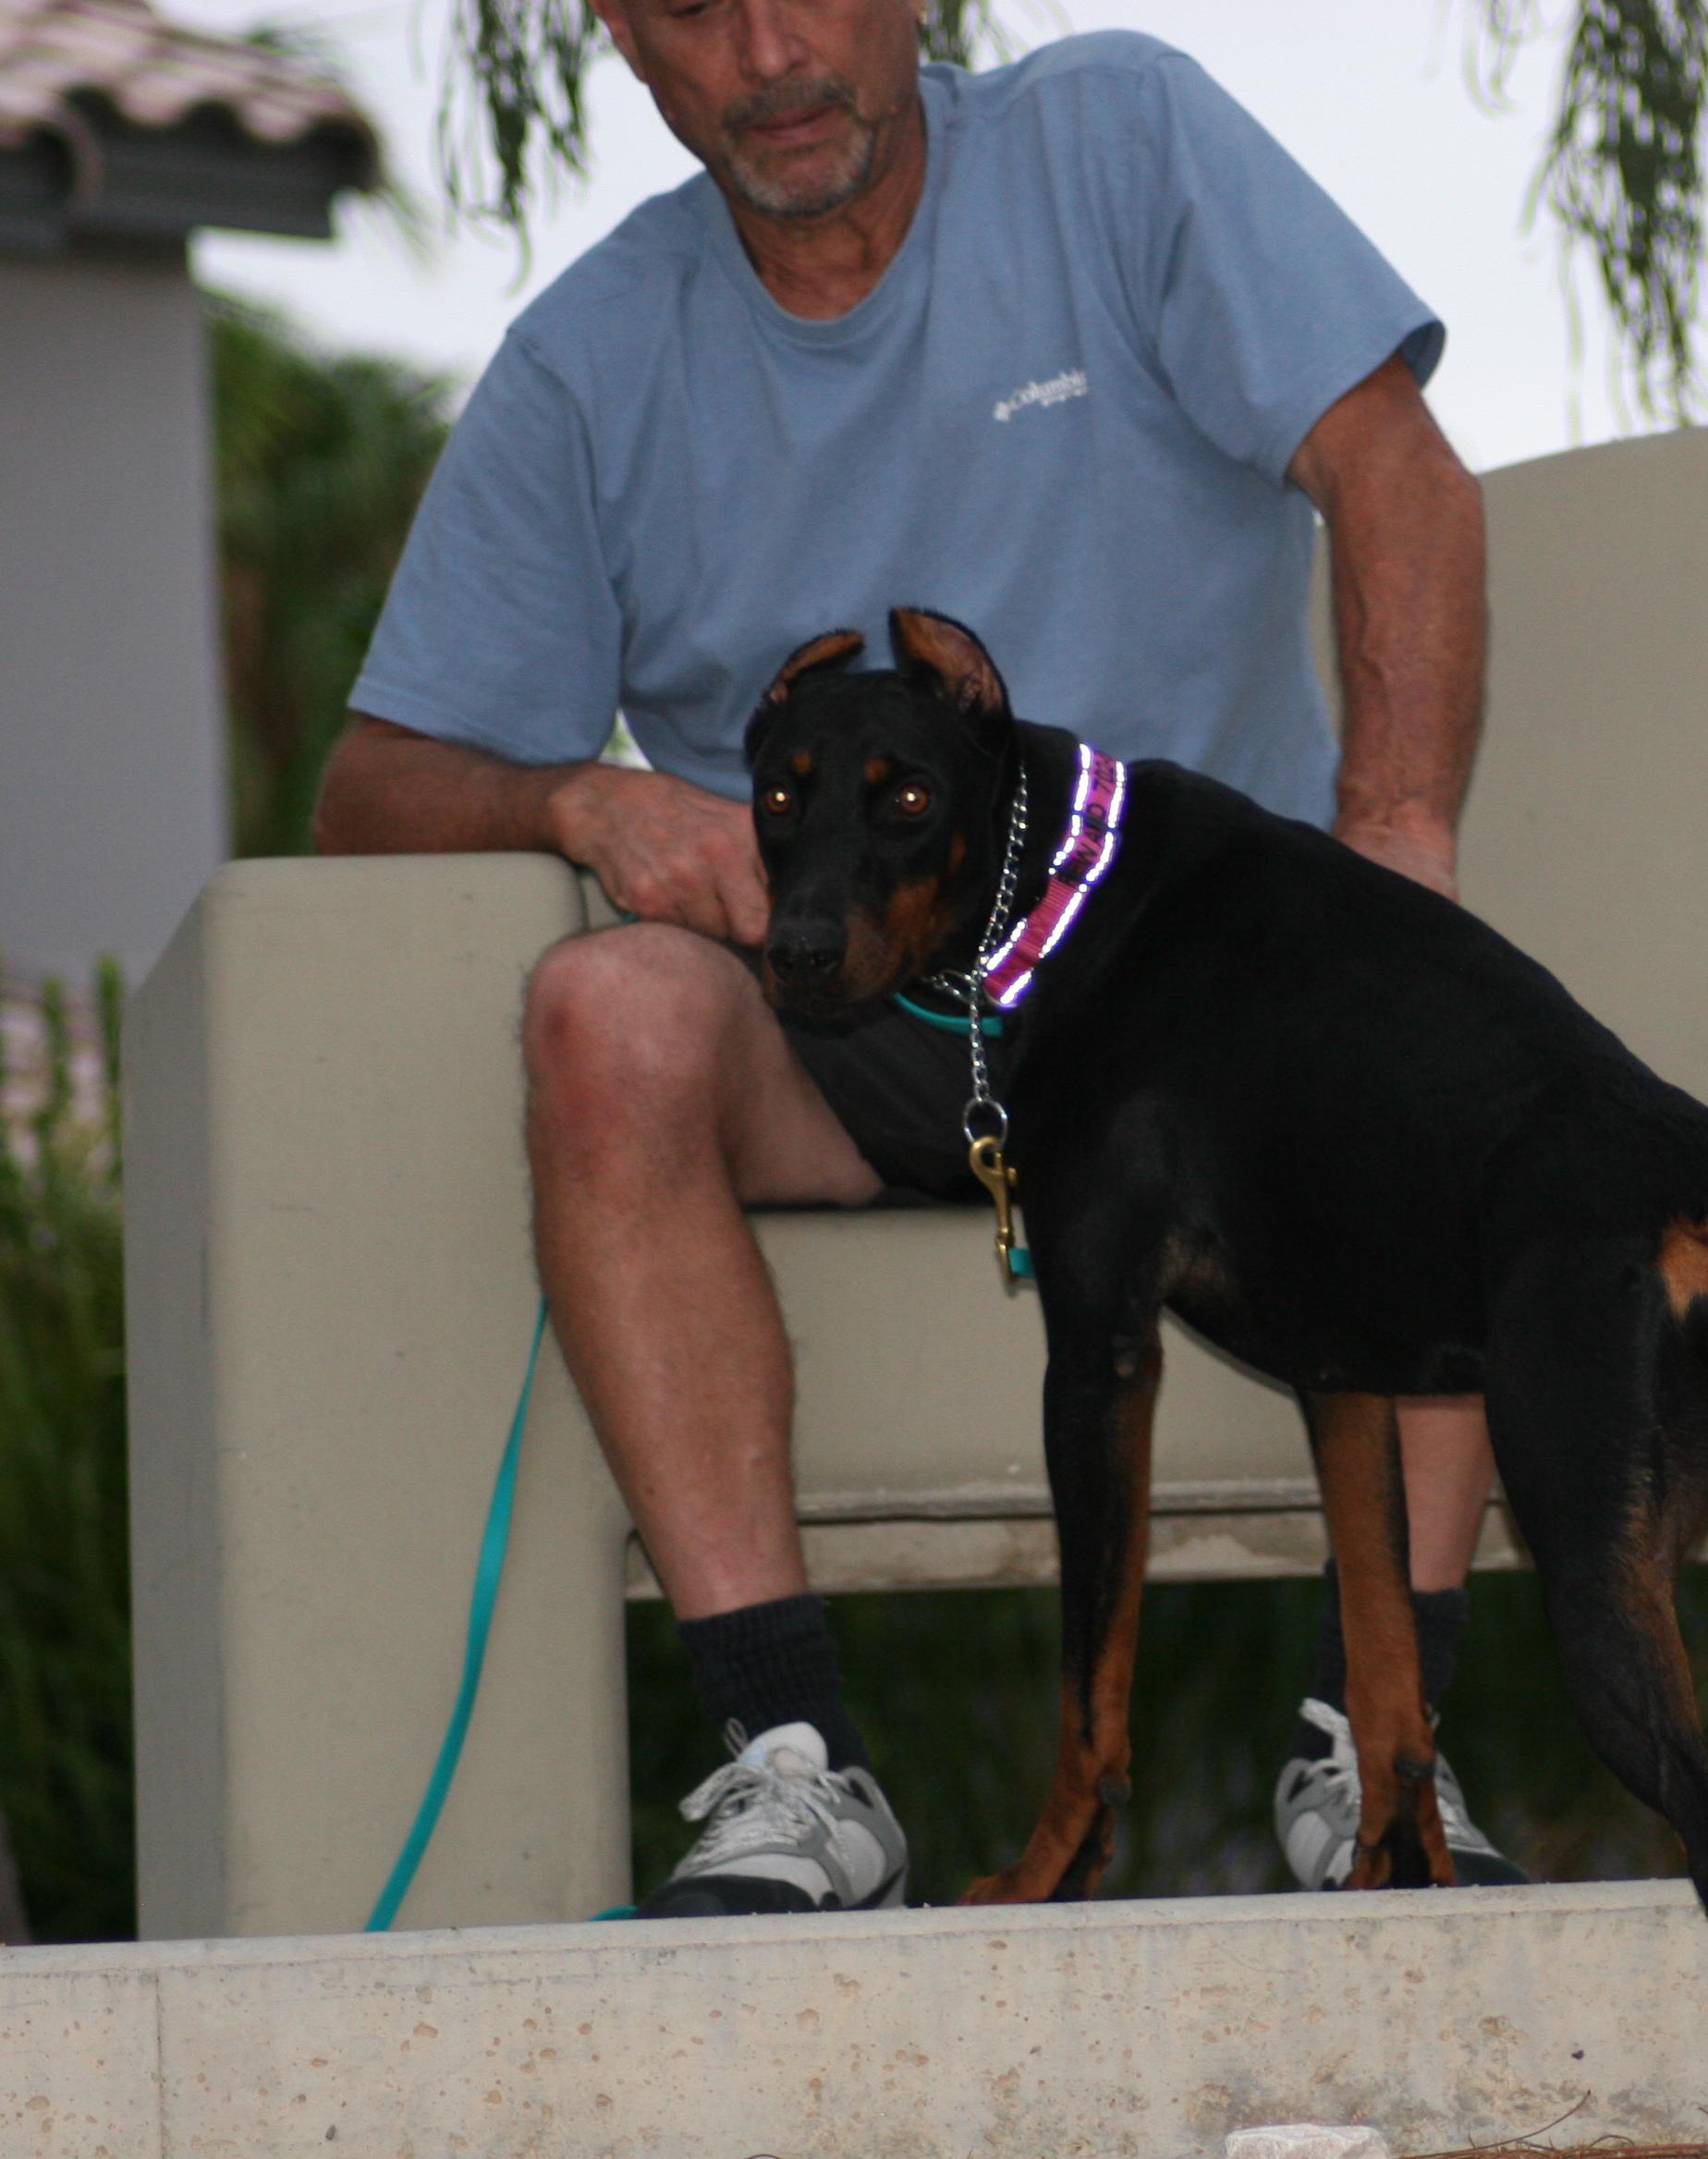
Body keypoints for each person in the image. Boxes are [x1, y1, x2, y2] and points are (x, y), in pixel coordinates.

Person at [313, 0, 1523, 1913]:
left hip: (1219, 990)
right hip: (861, 1022)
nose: (771, 52)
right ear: (627, 42)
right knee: (601, 1010)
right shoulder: (587, 361)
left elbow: (1404, 480)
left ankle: (1383, 1761)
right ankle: (794, 1767)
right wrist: (590, 807)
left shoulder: (1118, 140)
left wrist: (1394, 850)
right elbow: (370, 786)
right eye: (698, 10)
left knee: (1433, 1035)